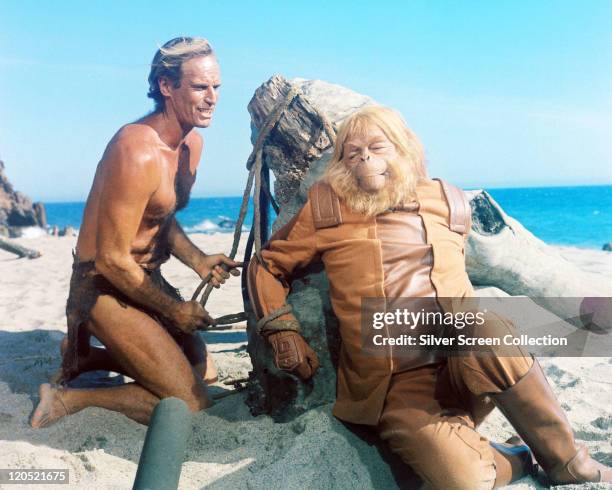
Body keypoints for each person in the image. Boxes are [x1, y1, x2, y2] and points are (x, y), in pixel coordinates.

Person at [246, 106, 611, 488]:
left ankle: (568, 461)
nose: (364, 157)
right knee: (464, 482)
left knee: (482, 325)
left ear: (404, 149)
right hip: (394, 383)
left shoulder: (447, 199)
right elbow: (268, 265)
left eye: (376, 146)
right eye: (352, 153)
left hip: (466, 364)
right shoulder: (327, 206)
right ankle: (515, 455)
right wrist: (281, 330)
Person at [31, 36, 241, 428]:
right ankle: (67, 399)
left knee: (206, 376)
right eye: (199, 87)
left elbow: (159, 216)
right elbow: (111, 260)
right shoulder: (135, 151)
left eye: (216, 87)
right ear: (166, 86)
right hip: (102, 288)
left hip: (144, 279)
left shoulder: (191, 145)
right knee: (193, 404)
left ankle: (88, 358)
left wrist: (198, 260)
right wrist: (175, 311)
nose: (212, 97)